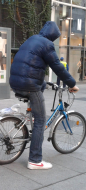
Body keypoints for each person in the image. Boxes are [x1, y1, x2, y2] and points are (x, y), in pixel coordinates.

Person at [10, 21, 79, 170]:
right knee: (41, 121)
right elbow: (58, 67)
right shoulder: (47, 44)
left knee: (40, 87)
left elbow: (31, 64)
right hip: (29, 85)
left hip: (15, 82)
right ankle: (35, 160)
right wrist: (72, 84)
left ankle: (32, 114)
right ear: (53, 36)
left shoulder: (32, 39)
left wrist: (45, 83)